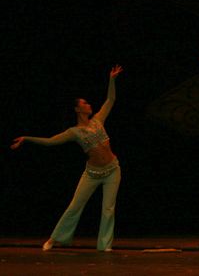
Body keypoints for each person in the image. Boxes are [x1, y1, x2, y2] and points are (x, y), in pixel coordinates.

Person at [11, 65, 123, 252]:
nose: (88, 105)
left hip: (113, 170)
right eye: (84, 103)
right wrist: (27, 138)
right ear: (78, 109)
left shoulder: (98, 120)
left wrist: (111, 79)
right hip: (92, 173)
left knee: (108, 209)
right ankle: (56, 238)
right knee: (74, 206)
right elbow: (50, 141)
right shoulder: (74, 132)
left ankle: (104, 246)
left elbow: (111, 99)